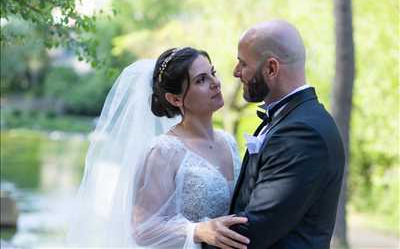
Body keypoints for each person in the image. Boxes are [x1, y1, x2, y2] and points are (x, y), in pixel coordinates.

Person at [66, 47, 250, 249]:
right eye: (201, 80)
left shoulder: (228, 141)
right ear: (175, 99)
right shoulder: (164, 151)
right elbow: (143, 230)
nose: (215, 83)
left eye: (212, 73)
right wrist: (197, 231)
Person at [204, 20, 345, 249]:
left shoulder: (302, 134)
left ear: (271, 68)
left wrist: (188, 236)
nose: (235, 71)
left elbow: (253, 231)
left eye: (243, 63)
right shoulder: (290, 119)